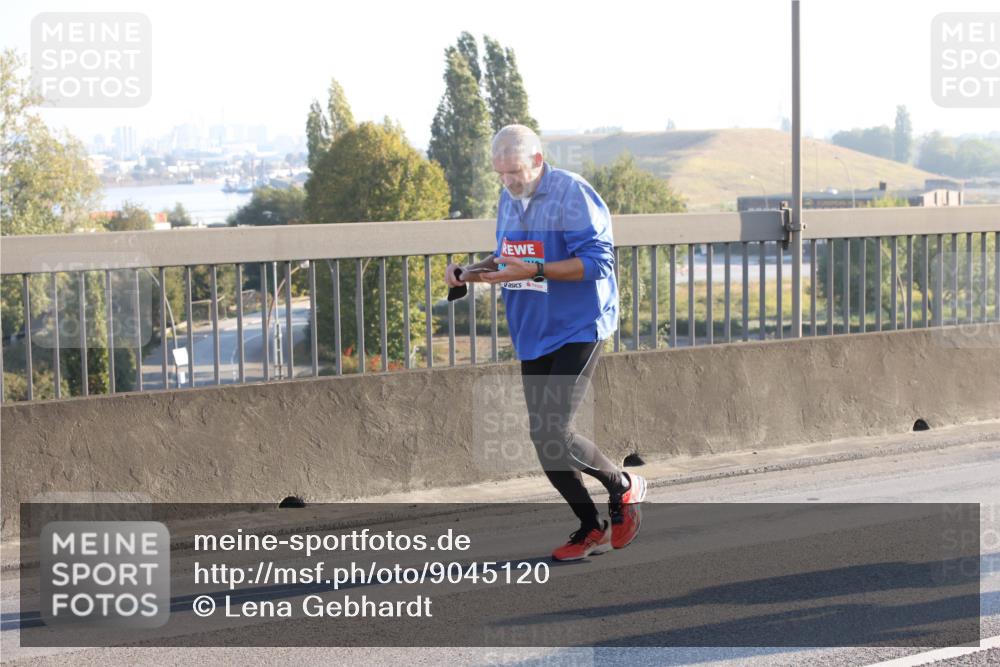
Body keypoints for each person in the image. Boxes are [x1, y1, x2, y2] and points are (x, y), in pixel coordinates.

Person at [444, 124, 647, 561]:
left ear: (537, 160)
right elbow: (506, 257)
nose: (508, 182)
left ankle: (622, 485)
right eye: (501, 174)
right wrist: (469, 274)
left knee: (555, 429)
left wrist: (535, 270)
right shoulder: (509, 197)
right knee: (543, 438)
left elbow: (598, 264)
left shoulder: (571, 194)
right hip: (533, 329)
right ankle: (590, 526)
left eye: (515, 172)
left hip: (580, 324)